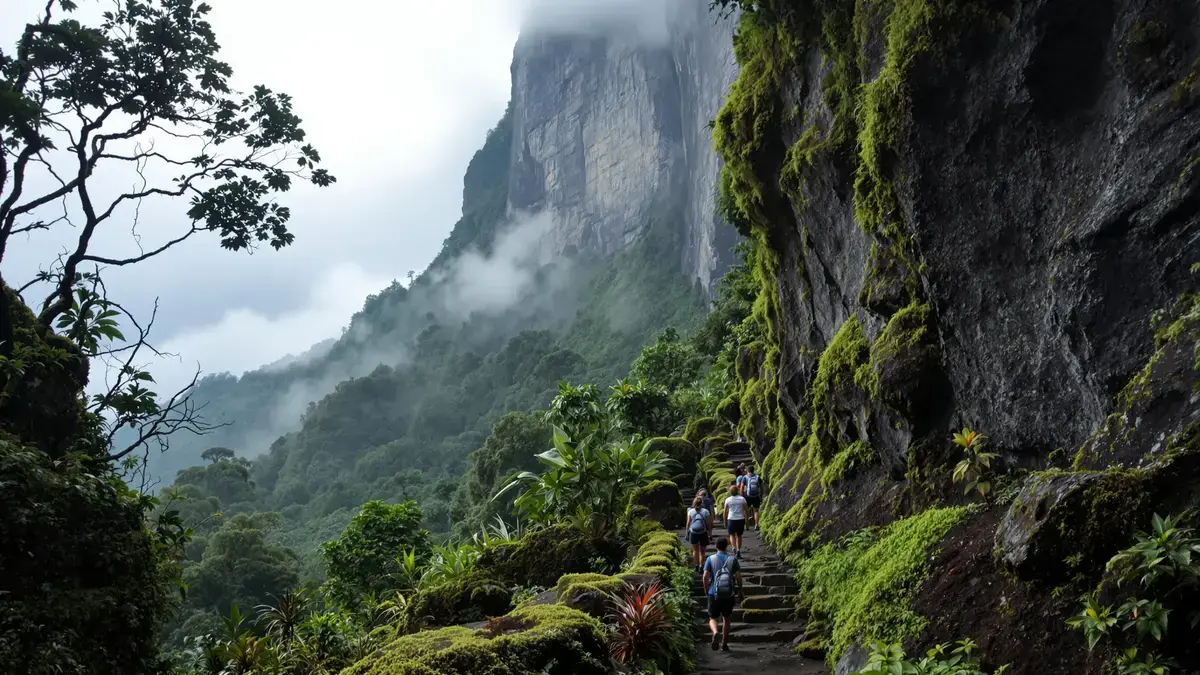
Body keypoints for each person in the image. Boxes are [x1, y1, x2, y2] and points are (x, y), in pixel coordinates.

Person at [702, 536, 742, 652]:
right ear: (727, 546)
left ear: (716, 546)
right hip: (728, 594)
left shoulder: (710, 559)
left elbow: (705, 577)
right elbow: (738, 577)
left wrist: (707, 590)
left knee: (713, 618)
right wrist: (740, 591)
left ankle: (715, 632)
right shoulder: (732, 559)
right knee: (727, 618)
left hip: (713, 593)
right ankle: (724, 644)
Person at [685, 495, 711, 570]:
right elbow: (708, 523)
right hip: (703, 532)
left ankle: (696, 564)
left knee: (695, 550)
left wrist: (687, 533)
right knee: (702, 551)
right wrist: (710, 534)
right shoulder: (706, 511)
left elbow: (688, 523)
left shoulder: (690, 511)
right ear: (702, 503)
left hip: (693, 533)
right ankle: (701, 566)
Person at [723, 484, 749, 556]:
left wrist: (724, 521)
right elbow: (746, 510)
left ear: (730, 492)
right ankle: (738, 550)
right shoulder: (742, 499)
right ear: (737, 491)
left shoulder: (728, 500)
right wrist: (747, 521)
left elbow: (725, 511)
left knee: (731, 535)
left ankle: (733, 547)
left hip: (731, 519)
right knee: (739, 535)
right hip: (740, 518)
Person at [738, 465, 764, 530]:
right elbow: (761, 487)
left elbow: (741, 487)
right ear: (753, 470)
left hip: (747, 496)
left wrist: (741, 497)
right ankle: (756, 524)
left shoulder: (745, 477)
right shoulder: (757, 477)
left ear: (747, 471)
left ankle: (747, 525)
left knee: (746, 511)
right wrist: (761, 495)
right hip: (756, 496)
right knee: (756, 511)